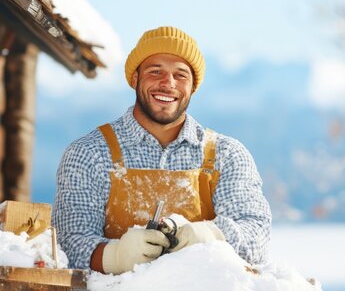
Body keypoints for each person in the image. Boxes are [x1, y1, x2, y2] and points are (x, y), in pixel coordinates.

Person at [52, 26, 272, 274]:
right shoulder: (89, 153)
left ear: (192, 87)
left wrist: (210, 236)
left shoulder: (226, 155)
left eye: (181, 75)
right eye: (155, 71)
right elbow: (67, 245)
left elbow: (257, 239)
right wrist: (116, 256)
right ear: (135, 78)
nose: (168, 84)